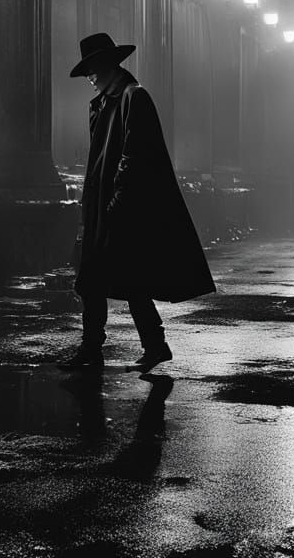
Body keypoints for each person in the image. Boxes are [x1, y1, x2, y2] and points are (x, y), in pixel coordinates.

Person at [59, 32, 215, 372]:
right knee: (104, 278)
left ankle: (119, 347)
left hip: (122, 206)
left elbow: (133, 155)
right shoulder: (107, 102)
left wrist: (116, 201)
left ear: (106, 66)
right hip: (105, 204)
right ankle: (138, 346)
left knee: (116, 277)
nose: (90, 78)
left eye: (92, 70)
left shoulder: (133, 98)